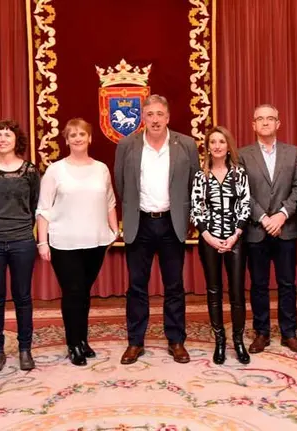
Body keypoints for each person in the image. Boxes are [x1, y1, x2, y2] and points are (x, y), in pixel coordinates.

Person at [114, 94, 200, 365]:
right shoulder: (127, 145)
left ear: (168, 117)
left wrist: (185, 217)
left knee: (174, 285)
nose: (154, 119)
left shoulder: (186, 145)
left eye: (159, 114)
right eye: (149, 114)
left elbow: (193, 182)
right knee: (137, 286)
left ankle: (176, 341)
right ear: (143, 118)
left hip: (171, 223)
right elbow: (121, 183)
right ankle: (135, 342)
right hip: (139, 223)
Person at [36, 118, 118, 366]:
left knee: (84, 293)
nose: (78, 138)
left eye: (82, 134)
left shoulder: (101, 168)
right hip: (64, 243)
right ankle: (73, 344)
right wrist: (42, 242)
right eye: (73, 135)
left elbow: (110, 202)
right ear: (67, 140)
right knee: (72, 292)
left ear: (90, 138)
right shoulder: (55, 170)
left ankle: (83, 340)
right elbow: (44, 208)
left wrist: (113, 230)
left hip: (95, 241)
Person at [239, 104, 297, 355]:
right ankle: (262, 332)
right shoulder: (243, 155)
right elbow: (242, 192)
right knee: (258, 284)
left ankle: (289, 333)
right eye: (260, 119)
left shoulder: (293, 153)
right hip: (257, 230)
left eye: (270, 119)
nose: (265, 123)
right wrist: (264, 218)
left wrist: (281, 215)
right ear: (253, 124)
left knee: (287, 283)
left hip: (286, 229)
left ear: (278, 124)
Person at [0, 119, 40, 372]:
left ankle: (25, 349)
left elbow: (35, 204)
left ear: (16, 140)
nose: (3, 139)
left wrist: (19, 226)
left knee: (23, 297)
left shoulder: (30, 171)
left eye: (8, 135)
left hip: (22, 240)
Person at [191, 126, 251, 365]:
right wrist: (209, 236)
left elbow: (245, 205)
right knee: (214, 291)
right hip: (209, 240)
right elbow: (196, 209)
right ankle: (219, 341)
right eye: (213, 142)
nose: (217, 146)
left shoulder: (240, 173)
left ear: (228, 146)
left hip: (235, 239)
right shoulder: (200, 176)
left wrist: (235, 235)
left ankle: (238, 340)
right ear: (208, 146)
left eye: (221, 141)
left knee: (236, 292)